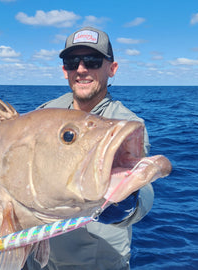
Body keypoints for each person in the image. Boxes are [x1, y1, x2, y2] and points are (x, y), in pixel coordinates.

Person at [24, 27, 154, 270]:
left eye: (92, 61)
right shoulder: (45, 113)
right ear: (65, 71)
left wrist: (128, 205)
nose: (81, 69)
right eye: (73, 62)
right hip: (36, 260)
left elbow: (142, 187)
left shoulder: (125, 125)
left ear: (112, 69)